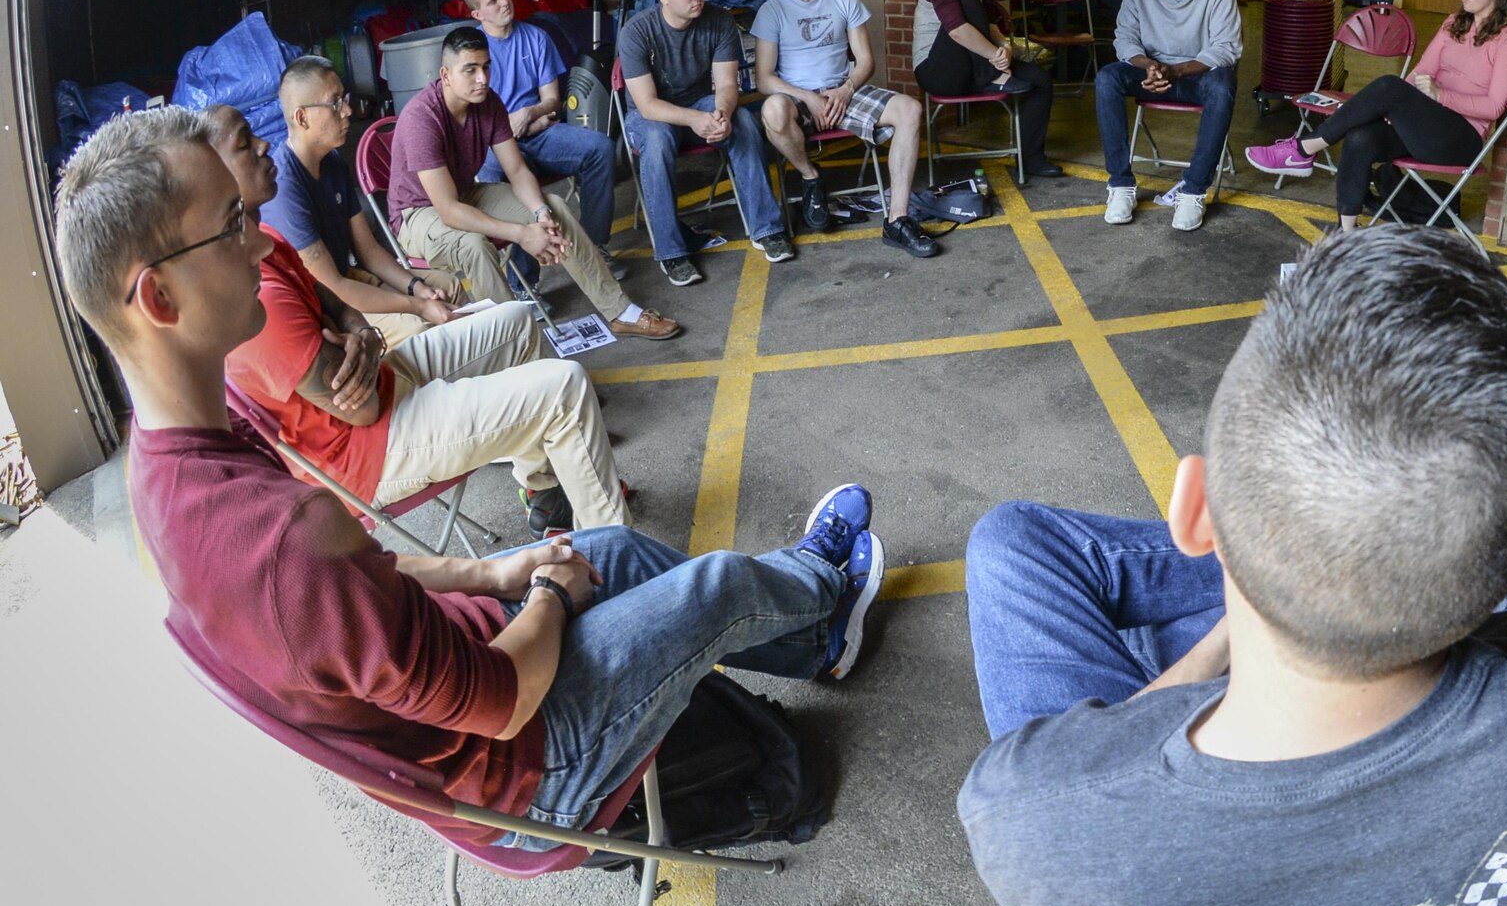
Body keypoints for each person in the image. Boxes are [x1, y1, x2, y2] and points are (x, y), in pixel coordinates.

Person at [53, 107, 885, 860]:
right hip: (528, 766)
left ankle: (817, 638)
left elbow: (368, 579)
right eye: (232, 224)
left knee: (616, 548)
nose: (262, 242)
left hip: (471, 660)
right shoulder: (284, 537)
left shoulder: (174, 459)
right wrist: (550, 596)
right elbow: (502, 701)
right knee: (713, 584)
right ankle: (820, 582)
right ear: (157, 295)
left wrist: (494, 572)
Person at [958, 227, 1507, 906]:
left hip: (1147, 846)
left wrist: (1231, 635)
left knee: (1011, 544)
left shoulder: (1029, 814)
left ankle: (1277, 586)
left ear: (1195, 513)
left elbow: (1088, 782)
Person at [202, 104, 627, 535]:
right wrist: (360, 334)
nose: (263, 144)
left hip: (384, 386)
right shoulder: (252, 297)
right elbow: (363, 410)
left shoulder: (265, 239)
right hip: (366, 455)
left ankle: (547, 497)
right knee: (566, 387)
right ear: (209, 176)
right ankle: (620, 563)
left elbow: (333, 299)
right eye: (243, 144)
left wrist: (361, 333)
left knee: (515, 319)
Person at [386, 26, 681, 340]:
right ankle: (517, 344)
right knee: (474, 245)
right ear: (445, 76)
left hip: (464, 193)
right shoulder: (422, 118)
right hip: (419, 214)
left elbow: (516, 170)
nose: (482, 79)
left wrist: (539, 214)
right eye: (469, 70)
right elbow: (448, 211)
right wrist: (522, 234)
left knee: (553, 205)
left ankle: (619, 311)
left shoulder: (488, 103)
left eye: (486, 67)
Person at [1246, 0, 1507, 232]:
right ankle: (1347, 233)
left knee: (1389, 86)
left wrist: (1439, 96)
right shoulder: (1453, 23)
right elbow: (1421, 71)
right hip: (1424, 126)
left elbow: (1494, 107)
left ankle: (1302, 148)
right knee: (1361, 136)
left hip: (1460, 140)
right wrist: (1391, 110)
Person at [752, 0, 938, 258]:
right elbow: (764, 79)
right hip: (797, 97)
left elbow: (866, 61)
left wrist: (846, 89)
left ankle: (897, 220)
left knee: (910, 110)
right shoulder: (773, 10)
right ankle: (811, 177)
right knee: (773, 110)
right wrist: (808, 96)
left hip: (842, 89)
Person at [619, 0, 794, 286]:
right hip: (653, 117)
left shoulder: (718, 21)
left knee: (742, 120)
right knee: (657, 140)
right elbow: (647, 106)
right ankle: (671, 252)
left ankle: (766, 229)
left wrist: (722, 114)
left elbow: (728, 85)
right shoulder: (637, 31)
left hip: (699, 106)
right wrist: (697, 119)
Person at [264, 55, 461, 348]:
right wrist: (418, 306)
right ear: (302, 117)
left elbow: (368, 252)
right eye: (334, 104)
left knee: (448, 288)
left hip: (350, 277)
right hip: (326, 304)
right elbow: (334, 287)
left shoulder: (332, 161)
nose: (347, 111)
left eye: (344, 99)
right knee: (417, 329)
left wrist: (417, 288)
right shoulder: (285, 187)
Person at [462, 0, 624, 277]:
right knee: (516, 172)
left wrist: (530, 115)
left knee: (600, 147)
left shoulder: (536, 37)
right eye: (493, 0)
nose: (504, 2)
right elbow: (467, 116)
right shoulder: (470, 52)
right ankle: (524, 282)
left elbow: (552, 100)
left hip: (538, 131)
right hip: (494, 142)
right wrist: (510, 128)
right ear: (477, 13)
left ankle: (593, 250)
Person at [1096, 0, 1243, 231]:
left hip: (1195, 76)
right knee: (1107, 79)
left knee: (1223, 85)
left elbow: (1226, 47)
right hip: (1152, 74)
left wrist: (1175, 71)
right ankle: (1121, 185)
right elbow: (1124, 39)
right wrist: (1149, 65)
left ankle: (1193, 190)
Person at [912, 0, 1059, 179]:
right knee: (967, 6)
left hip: (977, 69)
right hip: (938, 72)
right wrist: (995, 59)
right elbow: (957, 30)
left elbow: (992, 27)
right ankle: (996, 78)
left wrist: (1004, 48)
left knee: (1040, 79)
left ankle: (1031, 158)